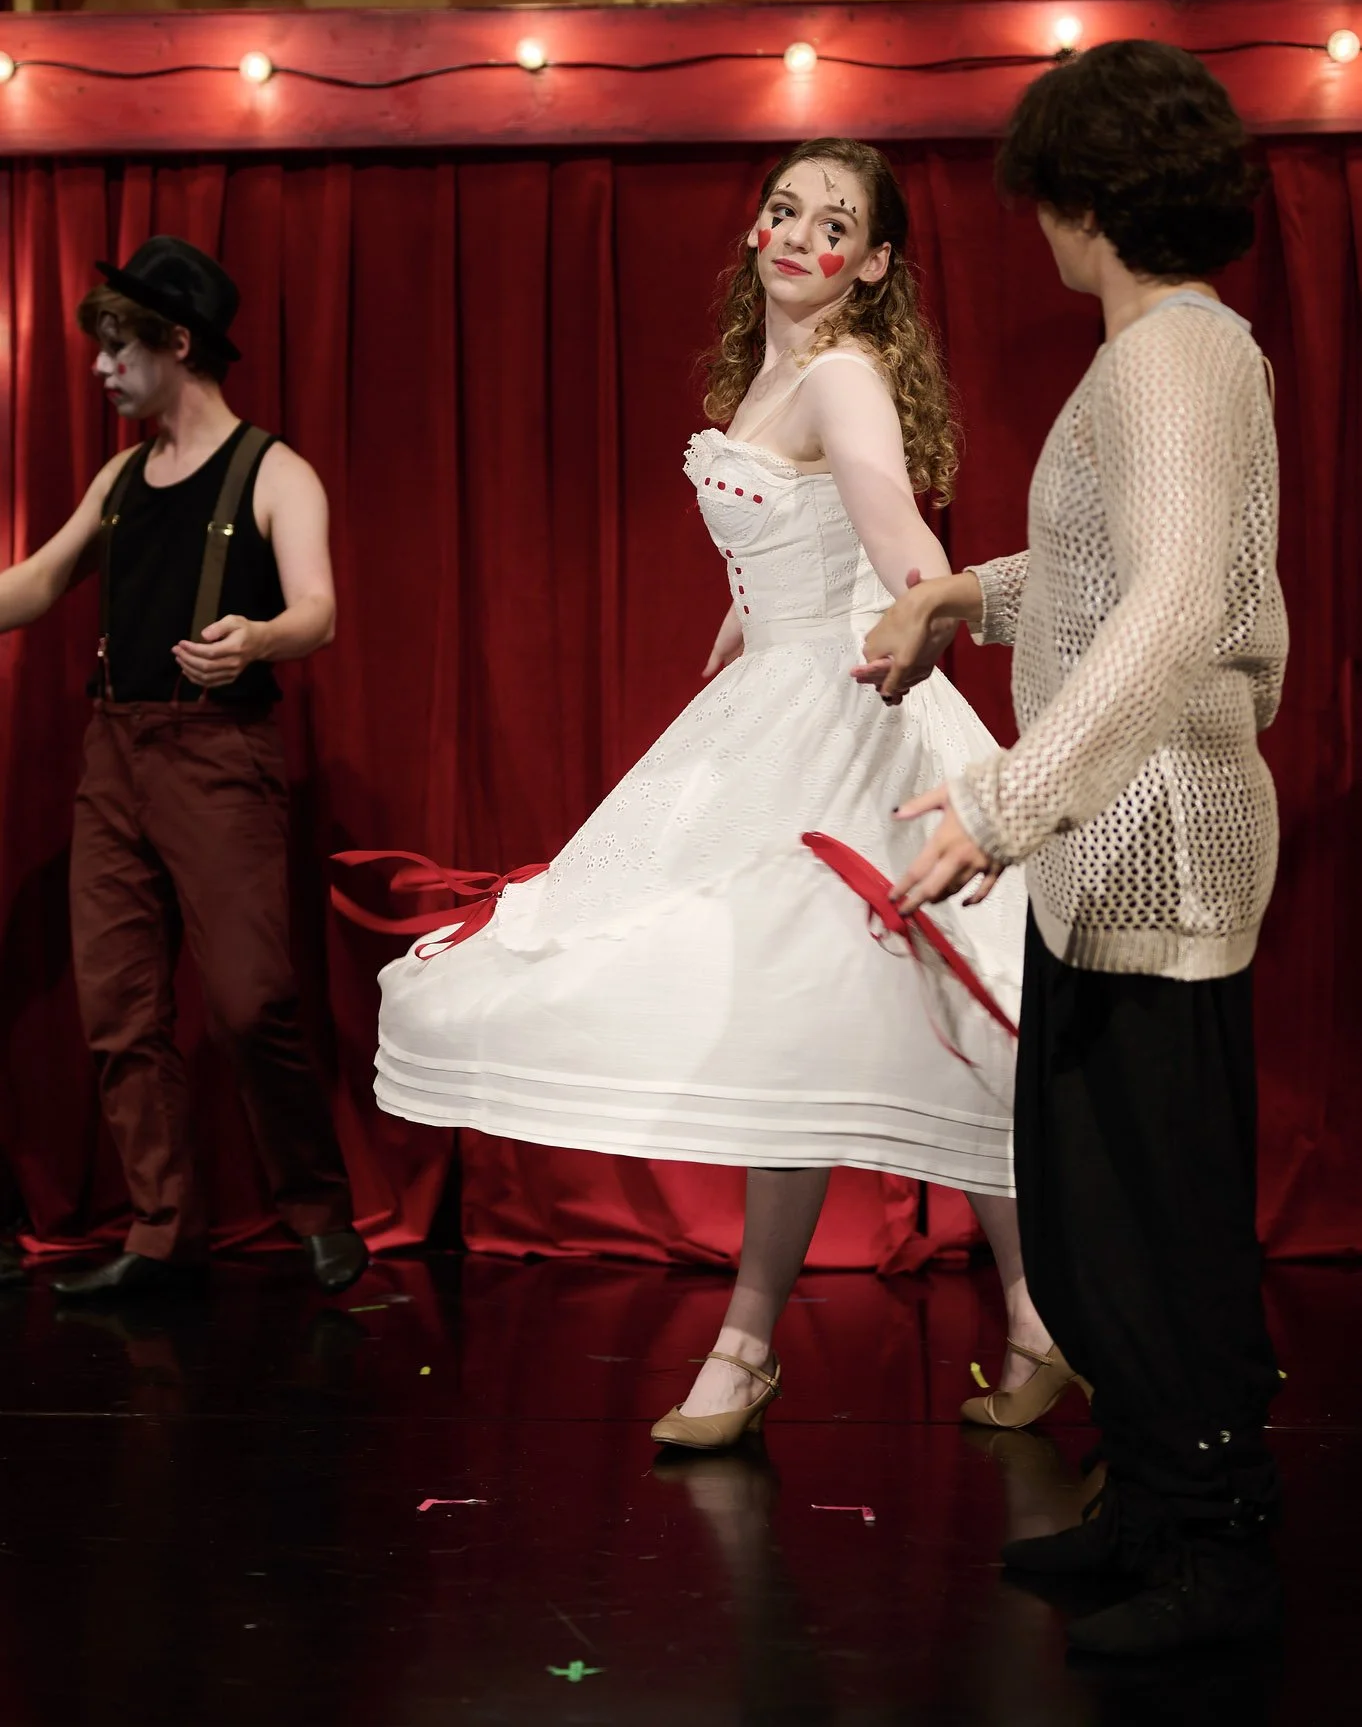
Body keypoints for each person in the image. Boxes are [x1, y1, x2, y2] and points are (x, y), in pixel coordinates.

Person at [374, 140, 1080, 1444]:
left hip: (849, 715)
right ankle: (861, 1338)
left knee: (899, 1020)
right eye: (784, 207)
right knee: (822, 1028)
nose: (800, 233)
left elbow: (893, 530)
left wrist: (921, 610)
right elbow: (796, 528)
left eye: (835, 221)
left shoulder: (842, 372)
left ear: (874, 263)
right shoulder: (767, 372)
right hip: (780, 695)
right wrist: (747, 614)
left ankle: (823, 1340)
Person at [860, 42, 1286, 1655]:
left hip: (1150, 834)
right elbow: (1117, 569)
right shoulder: (1172, 354)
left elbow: (1175, 609)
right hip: (1111, 846)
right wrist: (964, 594)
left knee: (1154, 1216)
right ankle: (1154, 1500)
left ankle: (1213, 1538)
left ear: (1088, 196)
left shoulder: (1171, 354)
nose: (1034, 220)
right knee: (1097, 1210)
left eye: (1043, 192)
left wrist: (1000, 800)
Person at [0, 236, 368, 1299]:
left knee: (252, 1001)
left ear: (178, 343)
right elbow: (37, 582)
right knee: (119, 1009)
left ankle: (317, 1210)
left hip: (216, 754)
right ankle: (162, 1233)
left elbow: (317, 610)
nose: (102, 367)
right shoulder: (121, 477)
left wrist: (258, 638)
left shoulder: (274, 471)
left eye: (119, 347)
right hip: (113, 752)